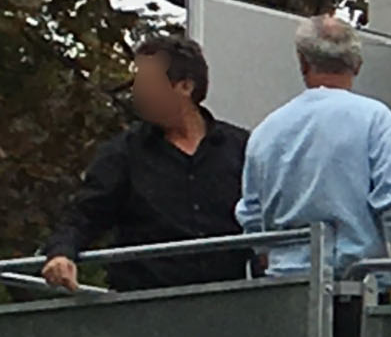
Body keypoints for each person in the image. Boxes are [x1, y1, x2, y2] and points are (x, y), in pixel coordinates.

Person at [41, 32, 249, 289]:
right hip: (147, 311)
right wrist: (61, 254)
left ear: (185, 86)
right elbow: (84, 215)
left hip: (232, 308)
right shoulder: (122, 153)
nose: (136, 92)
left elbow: (267, 215)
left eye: (148, 82)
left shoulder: (241, 148)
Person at [237, 12, 391, 285]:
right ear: (357, 64)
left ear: (303, 63)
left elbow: (253, 221)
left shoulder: (266, 131)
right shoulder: (376, 119)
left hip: (287, 291)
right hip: (359, 287)